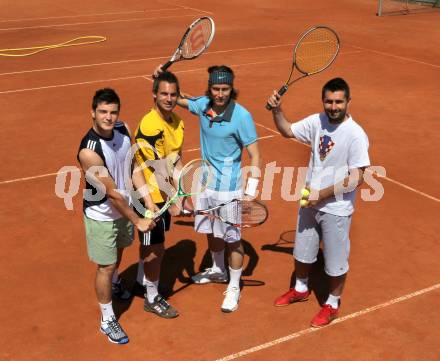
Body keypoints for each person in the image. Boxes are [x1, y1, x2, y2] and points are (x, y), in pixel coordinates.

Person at [155, 64, 261, 312]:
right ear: (210, 88)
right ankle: (218, 269)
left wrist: (250, 191)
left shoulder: (242, 117)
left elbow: (255, 155)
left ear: (232, 88)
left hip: (230, 190)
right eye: (216, 88)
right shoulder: (203, 105)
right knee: (212, 232)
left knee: (233, 240)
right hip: (205, 187)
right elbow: (177, 99)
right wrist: (160, 76)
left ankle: (234, 286)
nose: (220, 94)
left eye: (225, 89)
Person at [267, 77, 370, 327]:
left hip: (336, 208)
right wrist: (277, 110)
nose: (333, 106)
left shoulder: (355, 135)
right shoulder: (317, 121)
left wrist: (322, 194)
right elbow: (287, 130)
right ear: (323, 100)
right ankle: (301, 289)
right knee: (302, 251)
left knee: (335, 262)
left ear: (348, 102)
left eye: (338, 101)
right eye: (329, 101)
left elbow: (358, 177)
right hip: (309, 203)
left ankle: (332, 303)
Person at [77, 88, 156, 344]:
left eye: (113, 112)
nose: (108, 117)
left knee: (121, 250)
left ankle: (115, 282)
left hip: (125, 207)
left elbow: (133, 166)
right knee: (106, 264)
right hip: (102, 213)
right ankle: (107, 319)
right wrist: (138, 220)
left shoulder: (123, 129)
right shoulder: (88, 151)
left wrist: (149, 200)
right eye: (103, 112)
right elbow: (112, 194)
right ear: (92, 113)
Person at [132, 71, 184, 318]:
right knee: (157, 248)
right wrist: (173, 200)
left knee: (152, 245)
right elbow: (156, 168)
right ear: (154, 94)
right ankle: (151, 298)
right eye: (164, 93)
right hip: (148, 196)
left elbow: (175, 161)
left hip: (164, 193)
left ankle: (143, 282)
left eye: (173, 94)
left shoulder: (177, 122)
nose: (169, 98)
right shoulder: (150, 126)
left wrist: (183, 192)